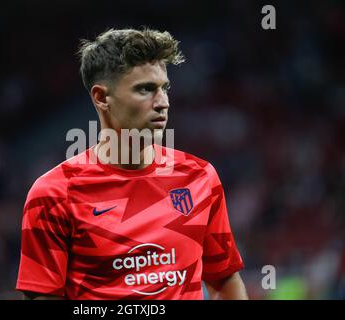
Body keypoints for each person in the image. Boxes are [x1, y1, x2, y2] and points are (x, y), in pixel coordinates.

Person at [16, 28, 248, 300]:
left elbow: (223, 279)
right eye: (145, 89)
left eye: (165, 88)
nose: (162, 102)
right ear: (101, 98)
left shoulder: (199, 177)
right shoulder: (53, 195)